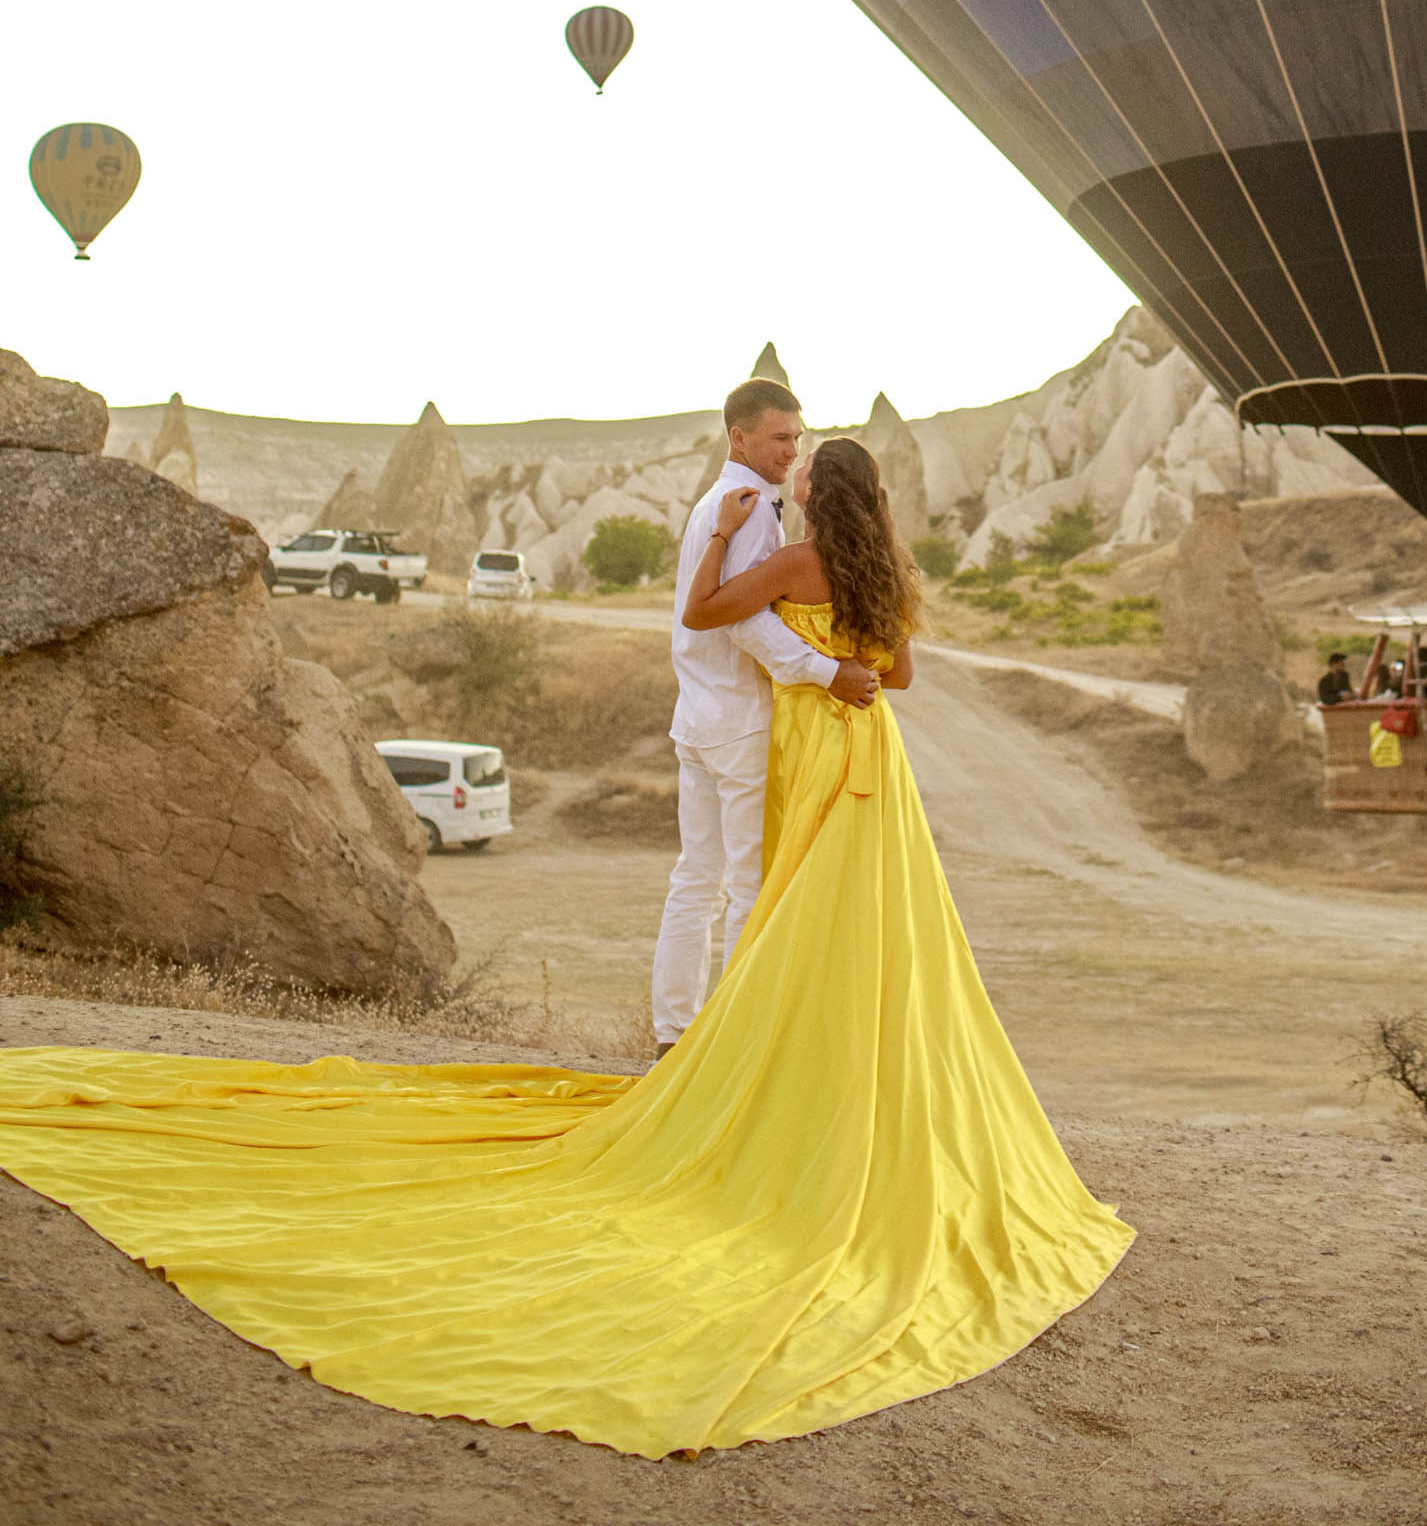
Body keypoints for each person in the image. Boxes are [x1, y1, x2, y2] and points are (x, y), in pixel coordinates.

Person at [0, 446, 1130, 1458]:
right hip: (874, 756)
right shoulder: (885, 569)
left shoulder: (797, 562)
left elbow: (696, 612)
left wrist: (739, 543)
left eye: (795, 482)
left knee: (786, 915)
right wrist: (848, 671)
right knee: (872, 931)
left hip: (813, 756)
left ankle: (770, 1079)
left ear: (811, 497)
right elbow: (904, 679)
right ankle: (862, 1082)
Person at [651, 376, 880, 1058]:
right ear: (739, 437)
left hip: (695, 715)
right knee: (747, 884)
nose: (791, 450)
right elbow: (744, 621)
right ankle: (730, 1043)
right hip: (741, 720)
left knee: (695, 880)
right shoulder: (752, 511)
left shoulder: (712, 508)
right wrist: (826, 672)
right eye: (781, 438)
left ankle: (674, 1035)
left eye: (796, 439)